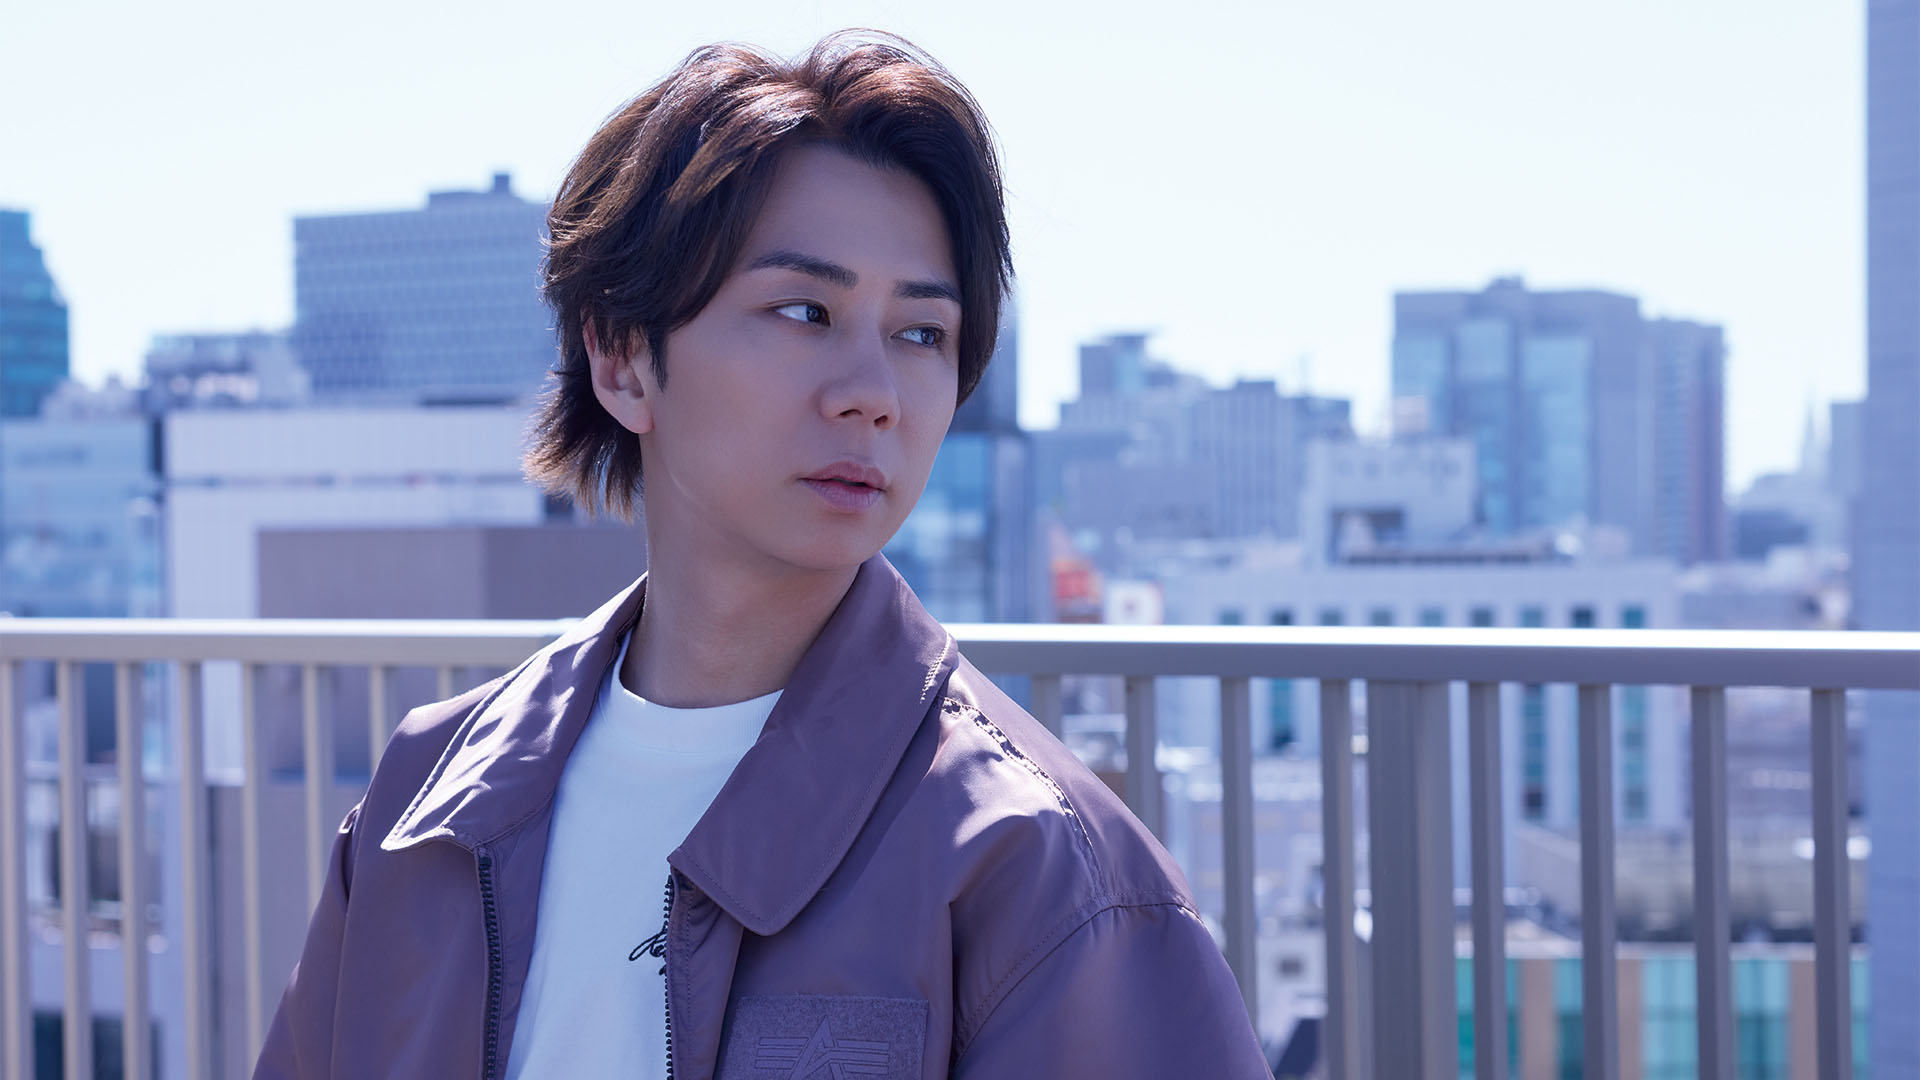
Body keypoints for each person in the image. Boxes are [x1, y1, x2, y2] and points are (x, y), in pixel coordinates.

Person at [254, 30, 1273, 1080]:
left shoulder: (1037, 867)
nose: (873, 392)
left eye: (921, 332)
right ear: (622, 357)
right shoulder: (426, 808)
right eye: (804, 311)